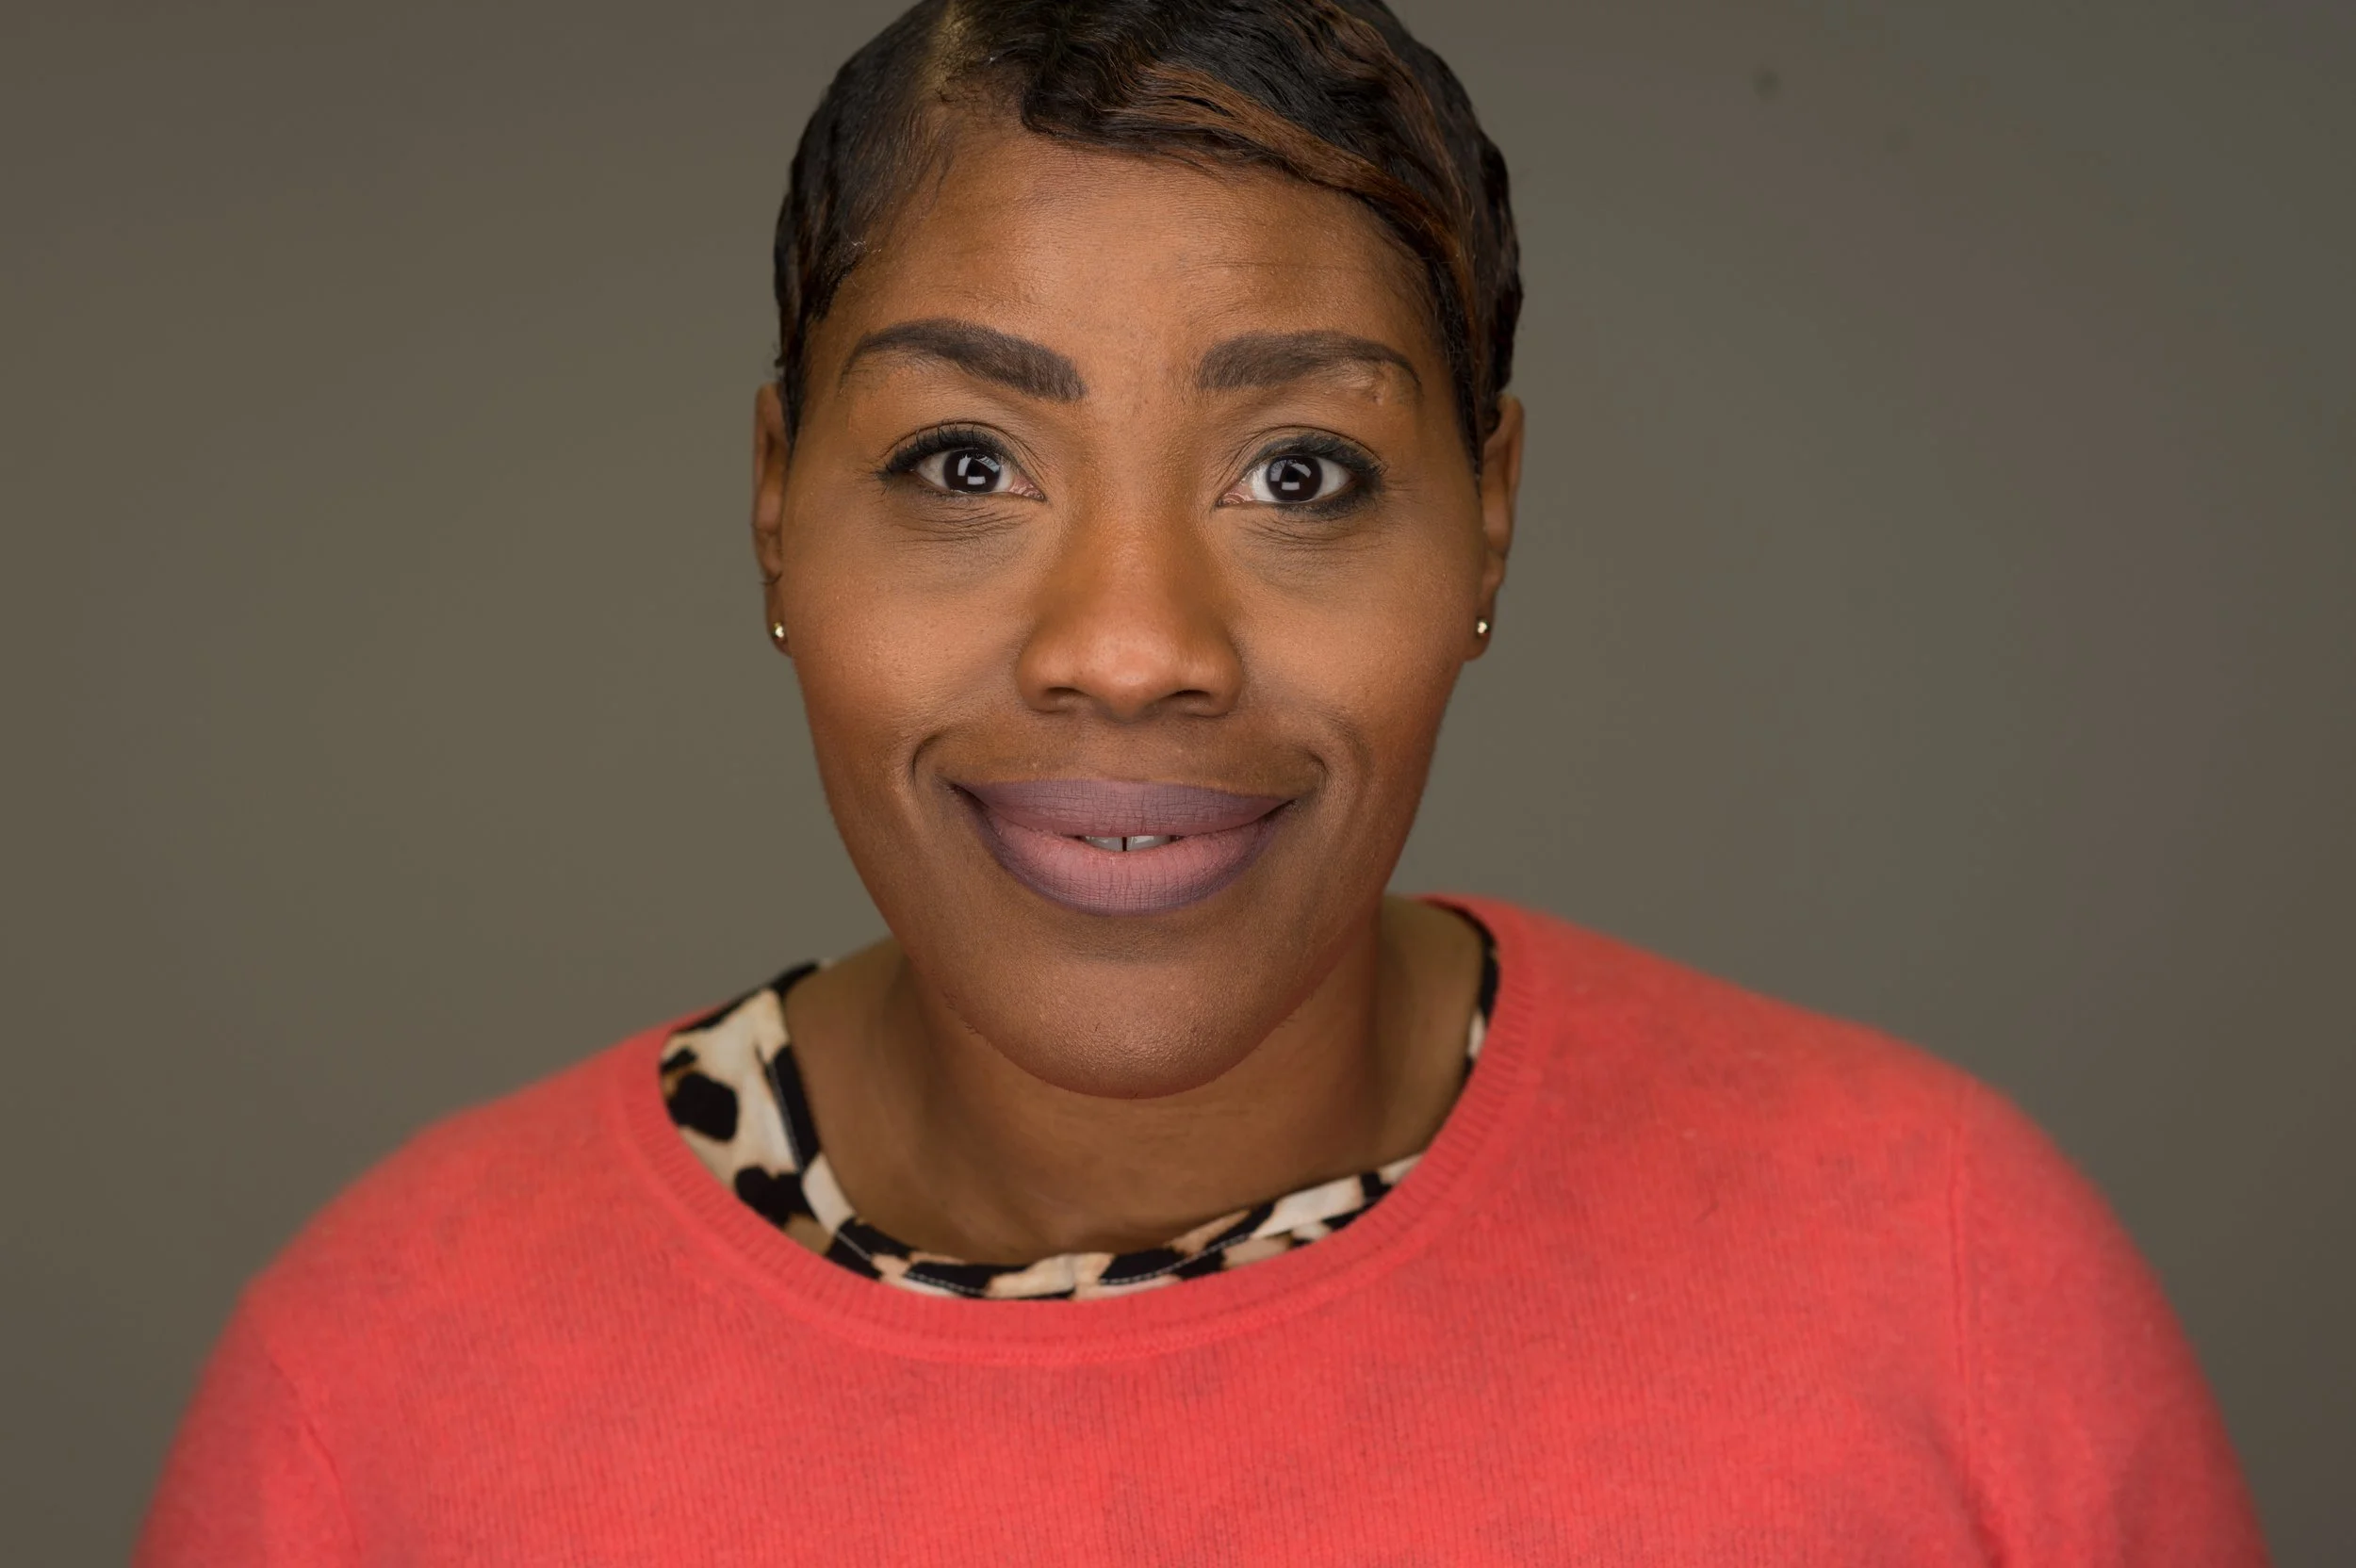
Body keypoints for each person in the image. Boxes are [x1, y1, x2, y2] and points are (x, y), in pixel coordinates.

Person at [137, 1, 2267, 1561]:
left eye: (1300, 471)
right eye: (963, 461)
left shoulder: (1940, 1276)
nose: (1134, 642)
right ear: (776, 502)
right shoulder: (381, 1390)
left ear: (1489, 520)